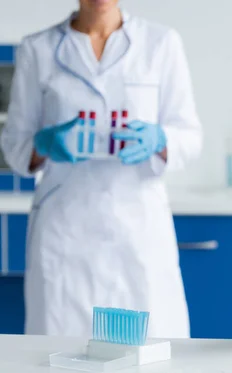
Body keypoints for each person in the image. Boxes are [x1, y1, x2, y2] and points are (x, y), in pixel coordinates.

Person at [0, 0, 202, 338]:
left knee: (148, 354)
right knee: (59, 357)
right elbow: (15, 147)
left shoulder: (160, 43)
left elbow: (190, 137)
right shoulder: (38, 49)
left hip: (138, 229)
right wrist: (44, 143)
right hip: (65, 230)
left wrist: (160, 139)